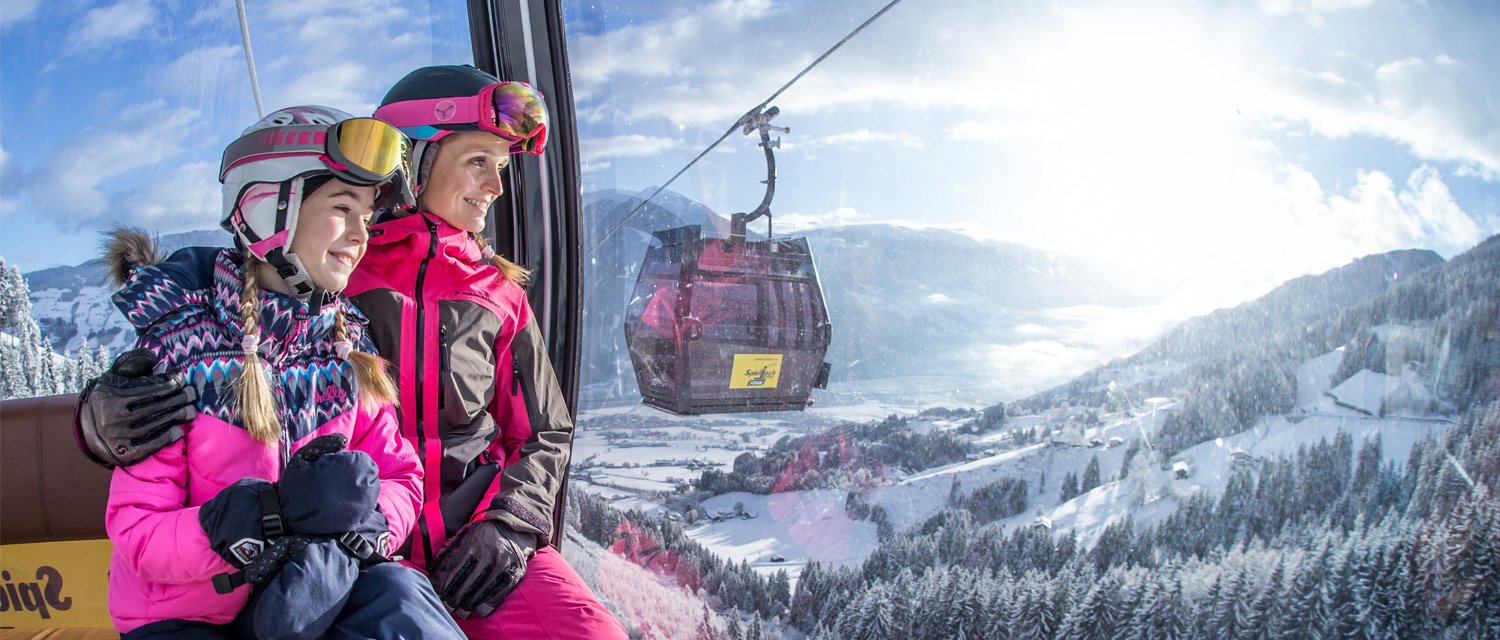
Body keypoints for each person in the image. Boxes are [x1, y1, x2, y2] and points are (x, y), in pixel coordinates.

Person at [78, 69, 627, 638]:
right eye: (478, 162)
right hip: (341, 563)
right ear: (416, 162)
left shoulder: (492, 293)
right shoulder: (331, 279)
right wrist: (99, 413)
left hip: (452, 544)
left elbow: (543, 430)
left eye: (502, 167)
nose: (496, 187)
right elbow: (212, 296)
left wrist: (510, 523)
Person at [99, 105, 464, 640]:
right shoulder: (179, 351)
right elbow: (137, 530)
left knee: (401, 602)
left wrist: (364, 523)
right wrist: (238, 524)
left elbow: (401, 477)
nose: (362, 233)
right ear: (269, 210)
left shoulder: (346, 347)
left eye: (368, 214)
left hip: (313, 592)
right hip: (190, 613)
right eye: (343, 207)